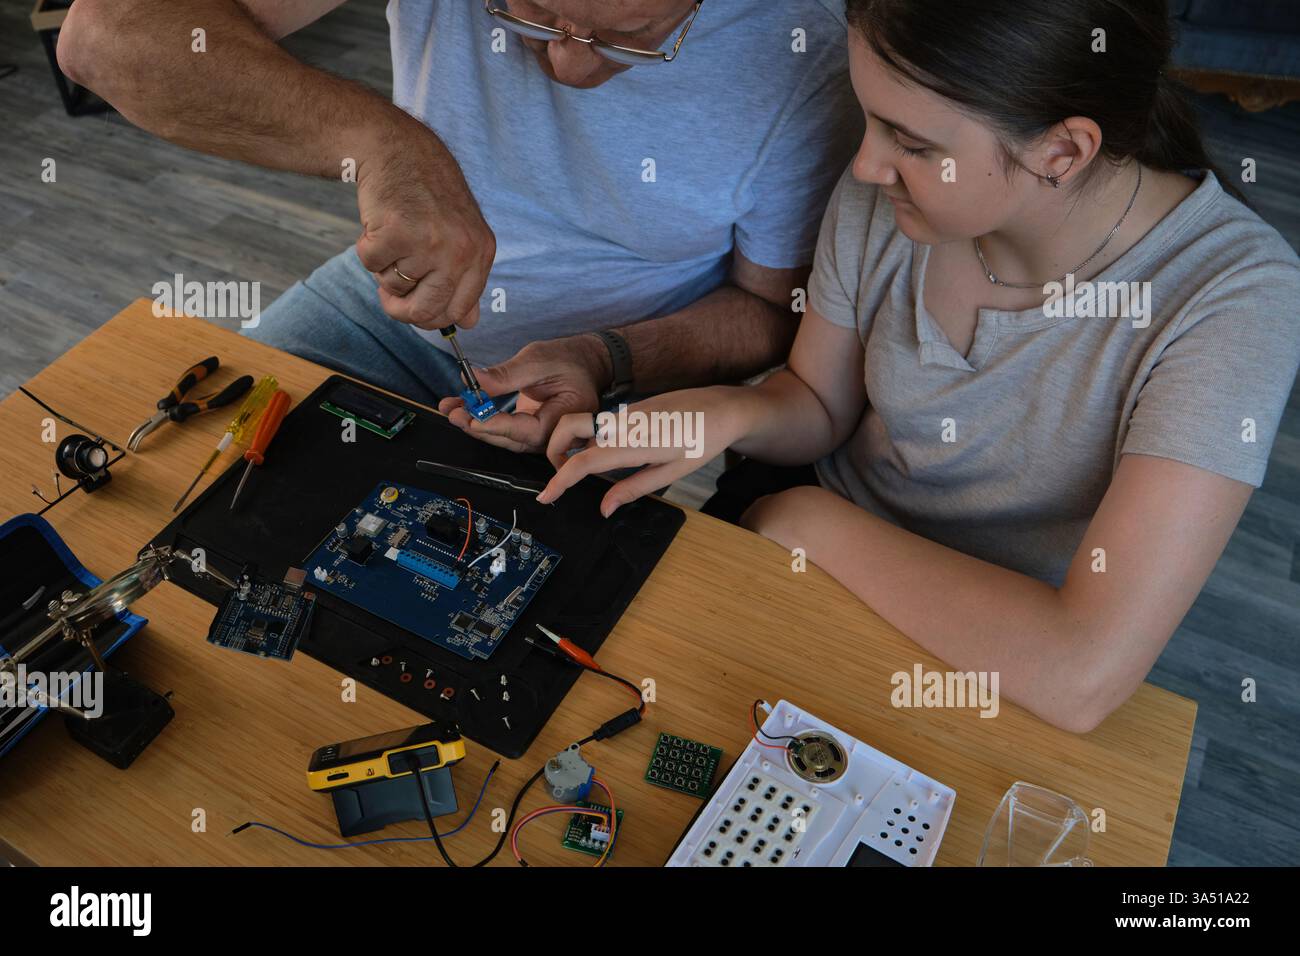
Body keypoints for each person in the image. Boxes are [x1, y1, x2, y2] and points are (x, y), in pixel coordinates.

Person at [536, 0, 1300, 733]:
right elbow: (818, 403)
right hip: (802, 542)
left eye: (913, 144)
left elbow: (1080, 673)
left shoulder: (1235, 300)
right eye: (871, 120)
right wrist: (730, 411)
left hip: (993, 633)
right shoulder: (893, 198)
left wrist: (805, 521)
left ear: (1062, 152)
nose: (866, 164)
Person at [57, 0, 860, 451]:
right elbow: (105, 38)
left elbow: (767, 314)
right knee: (206, 469)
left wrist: (601, 356)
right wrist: (381, 142)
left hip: (618, 369)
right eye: (534, 15)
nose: (568, 68)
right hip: (388, 315)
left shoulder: (808, 46)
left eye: (639, 41)